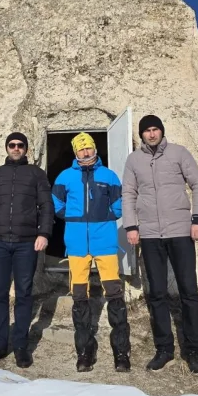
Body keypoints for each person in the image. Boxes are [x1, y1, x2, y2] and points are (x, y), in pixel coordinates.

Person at [122, 114, 198, 374]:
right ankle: (164, 349)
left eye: (155, 129)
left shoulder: (179, 153)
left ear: (161, 131)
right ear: (141, 134)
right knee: (157, 293)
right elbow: (129, 192)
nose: (151, 134)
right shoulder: (134, 159)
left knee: (188, 291)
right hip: (149, 235)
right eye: (146, 130)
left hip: (181, 231)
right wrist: (131, 225)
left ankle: (194, 351)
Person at [0, 132, 55, 368]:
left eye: (20, 145)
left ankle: (20, 345)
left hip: (26, 243)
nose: (16, 148)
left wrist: (44, 233)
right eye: (12, 145)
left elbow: (46, 206)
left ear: (26, 149)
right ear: (7, 148)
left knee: (24, 293)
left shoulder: (36, 174)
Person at [52, 132, 131, 373]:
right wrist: (74, 218)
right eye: (81, 149)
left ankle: (121, 353)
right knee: (79, 295)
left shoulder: (108, 175)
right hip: (76, 245)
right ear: (75, 152)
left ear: (95, 149)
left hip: (105, 242)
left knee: (114, 293)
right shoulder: (65, 176)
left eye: (89, 148)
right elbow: (56, 203)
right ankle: (84, 352)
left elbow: (120, 202)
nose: (86, 152)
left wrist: (106, 215)